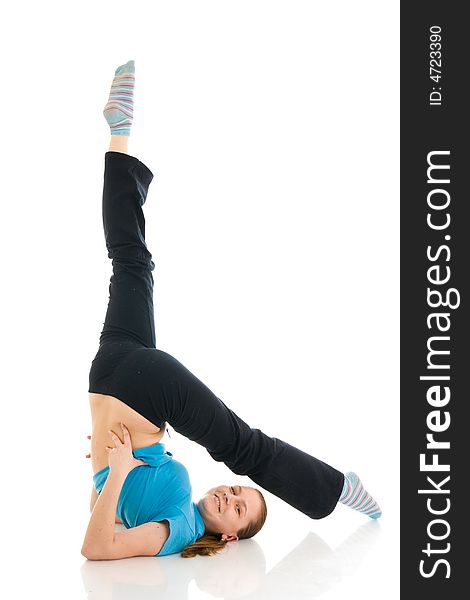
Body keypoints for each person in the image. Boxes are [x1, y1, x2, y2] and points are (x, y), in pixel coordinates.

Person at [81, 60, 382, 562]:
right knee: (132, 262)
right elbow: (105, 515)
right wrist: (110, 467)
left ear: (228, 538)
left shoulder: (178, 529)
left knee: (245, 448)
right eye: (240, 494)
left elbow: (95, 547)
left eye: (237, 509)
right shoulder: (180, 504)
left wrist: (111, 471)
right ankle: (120, 133)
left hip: (135, 380)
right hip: (116, 372)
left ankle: (335, 489)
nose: (230, 496)